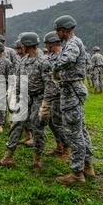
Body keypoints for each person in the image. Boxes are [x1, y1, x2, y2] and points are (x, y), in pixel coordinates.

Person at [0, 32, 52, 172]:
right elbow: (18, 79)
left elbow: (49, 85)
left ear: (27, 44)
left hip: (39, 97)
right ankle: (8, 156)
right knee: (16, 124)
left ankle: (37, 159)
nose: (20, 46)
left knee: (37, 126)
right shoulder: (23, 60)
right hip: (24, 96)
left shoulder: (43, 62)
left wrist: (46, 104)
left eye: (22, 44)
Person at [52, 15, 95, 185]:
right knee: (81, 129)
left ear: (66, 29)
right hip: (74, 89)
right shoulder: (75, 42)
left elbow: (68, 59)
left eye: (58, 30)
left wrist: (55, 67)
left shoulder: (72, 43)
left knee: (73, 132)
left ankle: (77, 173)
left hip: (71, 90)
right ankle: (88, 166)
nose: (57, 33)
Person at [43, 31, 70, 162]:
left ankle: (66, 149)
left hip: (60, 95)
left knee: (58, 123)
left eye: (47, 43)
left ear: (52, 43)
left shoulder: (61, 57)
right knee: (52, 122)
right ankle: (59, 145)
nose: (46, 46)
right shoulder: (52, 56)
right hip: (50, 94)